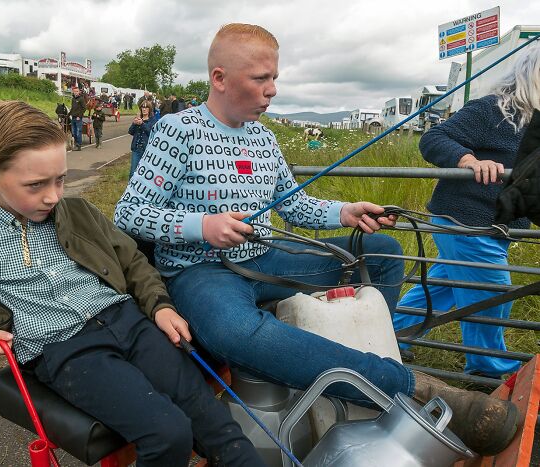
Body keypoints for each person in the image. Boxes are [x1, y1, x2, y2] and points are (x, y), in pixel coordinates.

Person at [114, 23, 520, 456]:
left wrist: (346, 211)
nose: (271, 90)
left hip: (266, 259)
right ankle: (408, 388)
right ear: (219, 78)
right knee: (232, 330)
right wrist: (204, 226)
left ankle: (367, 362)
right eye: (260, 79)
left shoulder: (264, 138)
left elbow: (295, 206)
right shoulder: (178, 130)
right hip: (201, 273)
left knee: (382, 252)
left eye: (275, 78)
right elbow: (130, 213)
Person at [0, 100, 264, 467]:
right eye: (35, 185)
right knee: (167, 434)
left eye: (60, 179)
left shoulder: (78, 213)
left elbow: (132, 260)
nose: (53, 196)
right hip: (67, 350)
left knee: (218, 426)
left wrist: (160, 305)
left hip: (129, 322)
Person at [393, 43, 540, 378]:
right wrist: (468, 160)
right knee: (492, 291)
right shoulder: (494, 110)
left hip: (495, 227)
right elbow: (434, 139)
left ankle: (391, 335)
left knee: (442, 288)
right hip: (465, 219)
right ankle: (489, 368)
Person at [127, 100, 156, 179]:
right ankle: (131, 189)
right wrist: (134, 123)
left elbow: (151, 133)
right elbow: (130, 131)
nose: (144, 109)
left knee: (145, 172)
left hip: (146, 150)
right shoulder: (138, 118)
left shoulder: (153, 120)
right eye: (143, 107)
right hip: (136, 149)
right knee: (133, 171)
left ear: (149, 109)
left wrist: (142, 124)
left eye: (146, 107)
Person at [68, 86, 86, 151]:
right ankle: (76, 143)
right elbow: (72, 108)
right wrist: (68, 114)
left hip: (78, 118)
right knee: (74, 132)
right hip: (73, 117)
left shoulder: (81, 99)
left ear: (79, 92)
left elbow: (84, 108)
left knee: (78, 132)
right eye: (74, 91)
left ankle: (79, 146)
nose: (76, 92)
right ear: (73, 92)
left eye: (77, 91)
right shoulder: (73, 99)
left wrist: (79, 116)